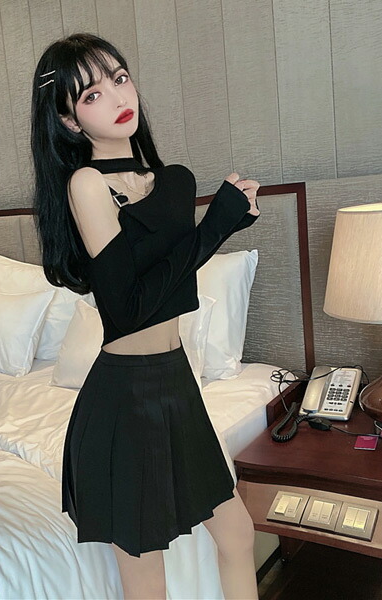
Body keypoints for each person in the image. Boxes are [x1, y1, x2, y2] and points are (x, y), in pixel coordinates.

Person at [31, 32, 261, 600]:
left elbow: (172, 279)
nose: (116, 97)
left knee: (238, 532)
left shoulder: (175, 181)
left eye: (120, 78)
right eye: (91, 95)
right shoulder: (88, 185)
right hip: (124, 398)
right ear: (69, 121)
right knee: (145, 577)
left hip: (177, 383)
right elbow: (128, 308)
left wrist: (217, 225)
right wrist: (217, 226)